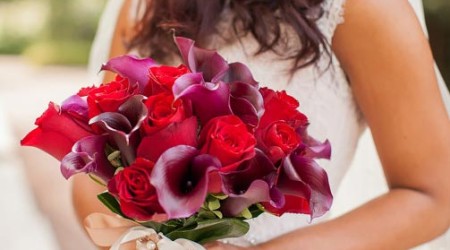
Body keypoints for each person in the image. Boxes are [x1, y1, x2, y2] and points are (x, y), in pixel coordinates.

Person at [74, 0, 450, 249]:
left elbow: (431, 195)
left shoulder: (362, 8)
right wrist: (139, 243)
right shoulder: (148, 6)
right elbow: (90, 164)